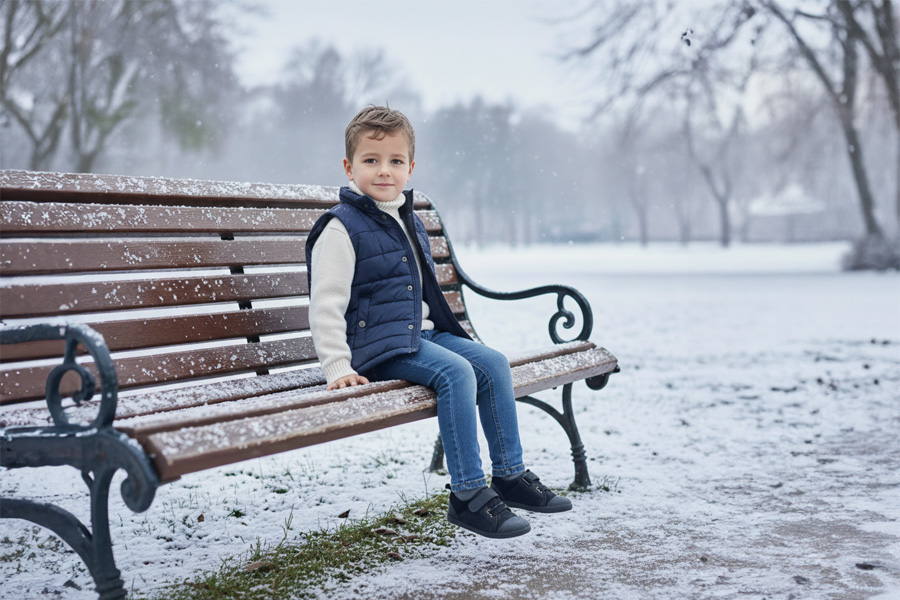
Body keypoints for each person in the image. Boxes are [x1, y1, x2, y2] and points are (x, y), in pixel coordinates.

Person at [306, 105, 572, 539]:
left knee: (493, 363)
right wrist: (338, 366)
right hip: (378, 348)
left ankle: (509, 475)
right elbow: (326, 303)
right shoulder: (341, 228)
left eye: (395, 161)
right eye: (370, 161)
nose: (384, 171)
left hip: (420, 336)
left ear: (411, 167)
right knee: (457, 373)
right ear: (348, 167)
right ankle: (468, 495)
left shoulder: (405, 218)